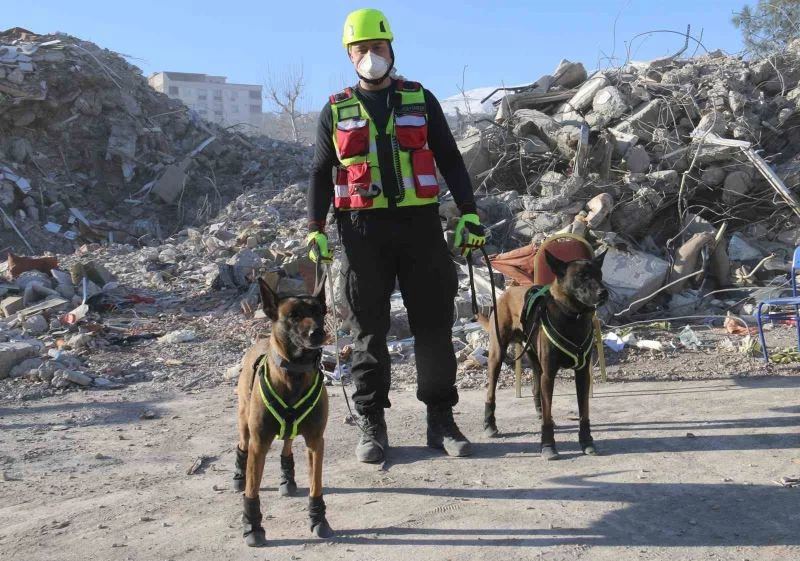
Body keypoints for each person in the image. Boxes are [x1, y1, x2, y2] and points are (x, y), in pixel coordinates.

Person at [306, 8, 486, 463]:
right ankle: (372, 423)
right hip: (361, 233)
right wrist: (314, 230)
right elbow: (320, 174)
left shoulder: (420, 99)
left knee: (434, 327)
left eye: (378, 47)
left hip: (420, 227)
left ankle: (440, 420)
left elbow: (450, 159)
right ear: (350, 56)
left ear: (391, 49)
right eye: (361, 50)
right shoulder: (335, 109)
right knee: (368, 332)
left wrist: (469, 214)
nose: (371, 56)